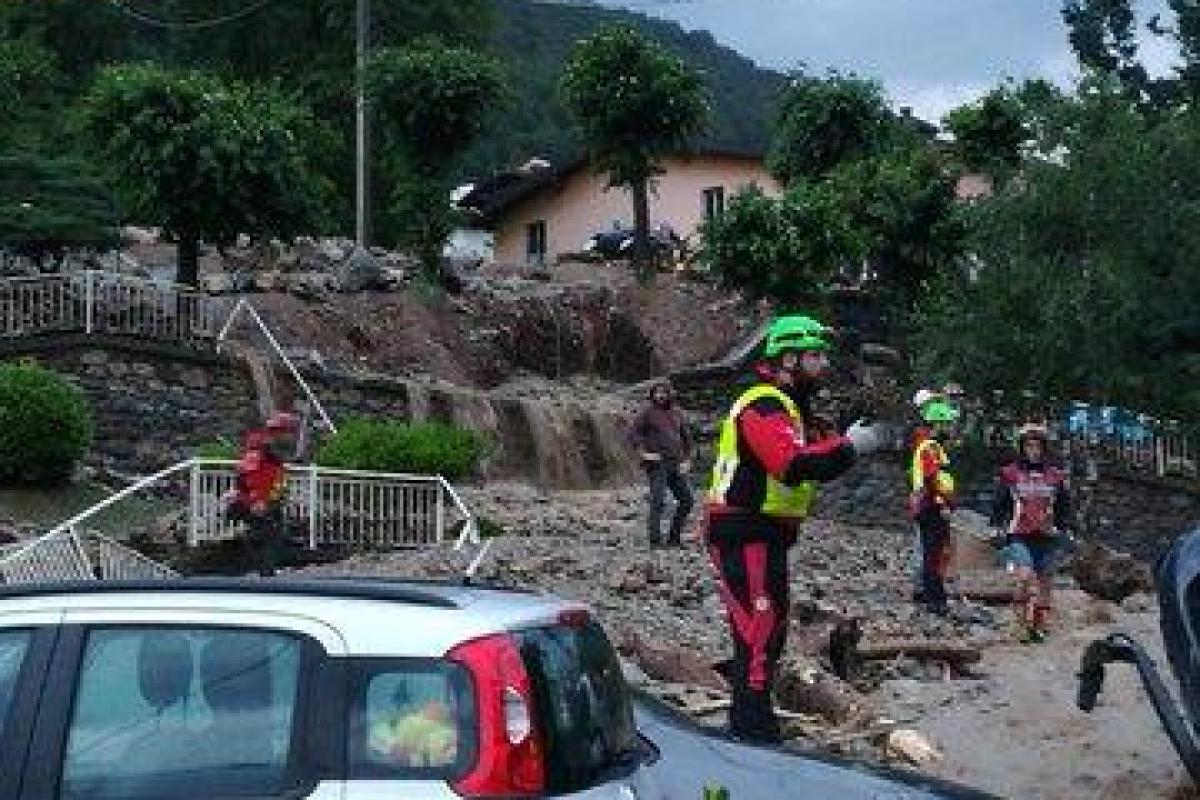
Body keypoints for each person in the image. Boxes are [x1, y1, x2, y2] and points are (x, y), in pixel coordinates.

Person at [703, 314, 884, 743]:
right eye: (815, 356)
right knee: (759, 630)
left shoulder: (792, 409)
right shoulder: (762, 404)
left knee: (770, 628)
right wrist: (851, 446)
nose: (824, 364)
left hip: (764, 534)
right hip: (744, 530)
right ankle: (751, 731)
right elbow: (791, 464)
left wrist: (847, 442)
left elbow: (819, 454)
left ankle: (753, 719)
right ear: (788, 359)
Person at [990, 423, 1072, 644]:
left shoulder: (1055, 475)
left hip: (1047, 534)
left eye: (1037, 446)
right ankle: (1020, 624)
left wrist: (1066, 528)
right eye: (1029, 446)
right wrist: (996, 526)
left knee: (1045, 582)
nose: (1033, 450)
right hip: (1020, 533)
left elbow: (1064, 505)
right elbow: (1000, 502)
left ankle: (1039, 625)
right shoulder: (1010, 473)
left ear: (1044, 448)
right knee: (1024, 576)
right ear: (1022, 448)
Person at [228, 411, 297, 577]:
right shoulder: (261, 450)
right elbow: (249, 475)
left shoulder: (272, 450)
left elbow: (273, 474)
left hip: (268, 501)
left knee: (272, 534)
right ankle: (263, 574)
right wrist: (256, 500)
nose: (291, 436)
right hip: (258, 503)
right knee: (267, 535)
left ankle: (264, 571)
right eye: (289, 431)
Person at [908, 398, 960, 616]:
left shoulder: (931, 447)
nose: (951, 429)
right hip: (931, 507)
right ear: (938, 424)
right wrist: (945, 502)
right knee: (933, 554)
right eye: (948, 424)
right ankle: (934, 599)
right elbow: (932, 479)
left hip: (929, 505)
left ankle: (934, 595)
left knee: (934, 552)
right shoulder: (929, 448)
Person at [628, 380, 694, 547]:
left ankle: (674, 539)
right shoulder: (647, 413)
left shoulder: (677, 414)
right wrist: (643, 454)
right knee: (657, 501)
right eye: (657, 392)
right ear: (652, 395)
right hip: (658, 465)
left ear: (670, 394)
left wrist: (688, 460)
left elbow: (687, 439)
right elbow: (633, 433)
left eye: (664, 392)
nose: (660, 395)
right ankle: (655, 541)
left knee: (687, 501)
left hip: (676, 464)